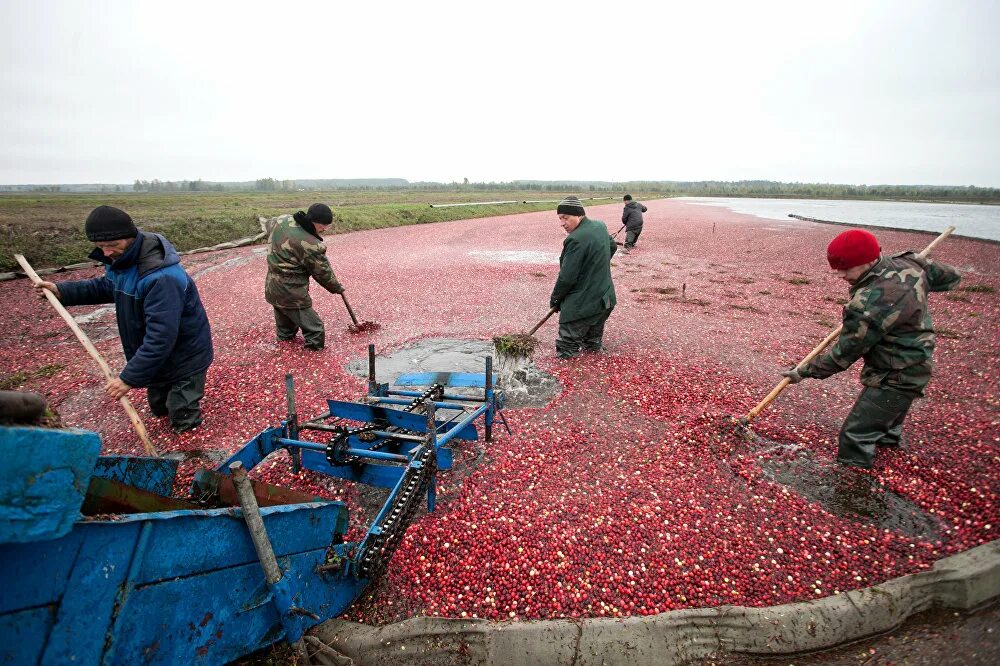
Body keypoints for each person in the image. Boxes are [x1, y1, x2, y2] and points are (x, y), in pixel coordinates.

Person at [781, 228, 961, 469]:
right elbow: (951, 278)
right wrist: (919, 272)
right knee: (886, 426)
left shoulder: (867, 305)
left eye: (846, 268)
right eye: (837, 268)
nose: (840, 274)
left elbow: (843, 356)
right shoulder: (909, 262)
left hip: (894, 375)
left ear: (868, 260)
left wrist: (802, 372)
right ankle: (889, 458)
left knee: (855, 436)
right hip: (917, 364)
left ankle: (853, 493)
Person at [34, 206, 213, 433]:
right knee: (159, 408)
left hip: (184, 354)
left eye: (113, 245)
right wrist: (62, 291)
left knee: (182, 413)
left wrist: (128, 378)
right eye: (101, 247)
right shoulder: (125, 262)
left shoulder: (161, 277)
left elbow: (161, 337)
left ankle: (191, 450)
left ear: (131, 237)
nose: (106, 253)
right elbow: (109, 285)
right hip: (157, 357)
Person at [264, 203, 345, 350]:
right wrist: (337, 287)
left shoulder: (282, 220)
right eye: (323, 226)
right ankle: (313, 356)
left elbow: (269, 225)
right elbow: (322, 272)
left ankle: (283, 352)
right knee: (315, 329)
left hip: (272, 286)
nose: (325, 229)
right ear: (313, 221)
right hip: (291, 291)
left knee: (286, 327)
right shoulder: (311, 244)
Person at [549, 196, 618, 359]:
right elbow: (612, 247)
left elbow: (567, 278)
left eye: (566, 217)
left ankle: (567, 378)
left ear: (578, 215)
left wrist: (555, 300)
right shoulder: (600, 226)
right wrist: (595, 266)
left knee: (567, 349)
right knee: (592, 344)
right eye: (560, 218)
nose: (562, 223)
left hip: (582, 306)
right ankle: (595, 374)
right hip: (605, 301)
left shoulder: (575, 239)